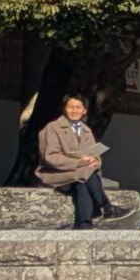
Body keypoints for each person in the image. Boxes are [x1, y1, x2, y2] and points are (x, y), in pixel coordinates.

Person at [32, 92, 114, 228]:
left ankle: (84, 224)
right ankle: (107, 206)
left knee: (82, 182)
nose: (74, 111)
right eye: (71, 107)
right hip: (56, 172)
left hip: (80, 175)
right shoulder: (53, 128)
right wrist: (79, 163)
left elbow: (95, 156)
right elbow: (50, 157)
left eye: (78, 107)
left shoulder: (86, 130)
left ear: (84, 110)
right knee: (85, 173)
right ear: (64, 109)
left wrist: (93, 161)